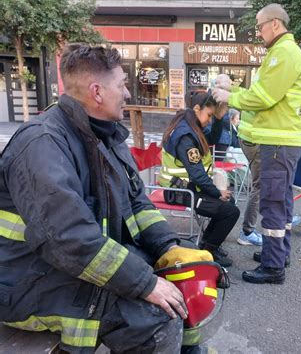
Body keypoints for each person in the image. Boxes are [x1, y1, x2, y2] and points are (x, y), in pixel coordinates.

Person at [0, 44, 214, 353]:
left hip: (69, 267)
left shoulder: (107, 136)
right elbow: (69, 240)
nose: (128, 93)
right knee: (155, 317)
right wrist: (145, 283)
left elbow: (138, 204)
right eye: (122, 85)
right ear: (97, 92)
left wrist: (169, 247)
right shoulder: (43, 144)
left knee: (184, 280)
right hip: (27, 282)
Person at [212, 3, 301, 284]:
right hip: (283, 141)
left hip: (278, 142)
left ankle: (273, 266)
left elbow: (263, 98)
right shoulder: (285, 52)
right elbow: (262, 94)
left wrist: (228, 97)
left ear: (275, 23)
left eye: (260, 25)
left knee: (273, 204)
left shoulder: (283, 53)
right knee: (282, 202)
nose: (259, 31)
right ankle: (278, 254)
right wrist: (236, 90)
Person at [159, 90, 240, 267]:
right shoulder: (185, 136)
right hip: (179, 191)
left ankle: (208, 245)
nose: (209, 120)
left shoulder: (190, 126)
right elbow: (197, 174)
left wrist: (219, 119)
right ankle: (209, 251)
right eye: (209, 115)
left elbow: (212, 138)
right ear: (197, 108)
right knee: (230, 211)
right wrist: (217, 192)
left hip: (188, 188)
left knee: (229, 203)